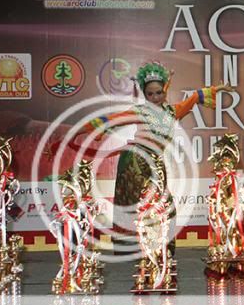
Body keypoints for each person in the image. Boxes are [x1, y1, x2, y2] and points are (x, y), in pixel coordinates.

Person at [81, 62, 232, 253]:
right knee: (133, 204)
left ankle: (162, 250)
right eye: (150, 94)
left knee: (165, 206)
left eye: (159, 93)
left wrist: (219, 88)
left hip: (155, 163)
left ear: (164, 92)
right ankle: (130, 249)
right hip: (134, 161)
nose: (155, 97)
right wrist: (76, 133)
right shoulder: (139, 111)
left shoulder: (172, 112)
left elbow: (195, 97)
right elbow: (110, 120)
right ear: (145, 95)